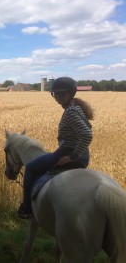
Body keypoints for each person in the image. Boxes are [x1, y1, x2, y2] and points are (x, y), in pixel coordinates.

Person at [17, 77, 94, 219]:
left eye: (61, 94)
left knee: (31, 167)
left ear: (71, 93)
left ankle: (26, 207)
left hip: (68, 154)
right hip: (81, 155)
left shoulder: (71, 111)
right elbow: (86, 129)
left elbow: (87, 134)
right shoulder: (76, 108)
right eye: (55, 94)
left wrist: (72, 157)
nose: (57, 97)